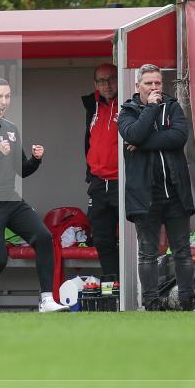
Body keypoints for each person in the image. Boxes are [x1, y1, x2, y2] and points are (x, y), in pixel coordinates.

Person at [0, 77, 66, 313]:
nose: (3, 101)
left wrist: (36, 160)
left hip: (9, 198)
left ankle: (47, 300)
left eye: (7, 96)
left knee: (43, 236)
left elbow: (22, 170)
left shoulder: (10, 128)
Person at [118, 64, 195, 311]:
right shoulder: (127, 111)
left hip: (175, 192)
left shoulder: (172, 107)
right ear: (138, 85)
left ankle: (187, 303)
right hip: (145, 195)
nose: (154, 88)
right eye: (149, 83)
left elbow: (179, 137)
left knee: (182, 251)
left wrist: (142, 144)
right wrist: (150, 108)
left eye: (158, 83)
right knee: (147, 253)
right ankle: (151, 304)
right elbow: (133, 133)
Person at [81, 63, 120, 278]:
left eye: (111, 79)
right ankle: (113, 286)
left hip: (122, 182)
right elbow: (89, 142)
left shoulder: (128, 104)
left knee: (132, 239)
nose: (107, 85)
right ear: (96, 84)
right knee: (102, 239)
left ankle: (132, 289)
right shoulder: (93, 106)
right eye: (102, 81)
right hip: (98, 183)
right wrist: (90, 173)